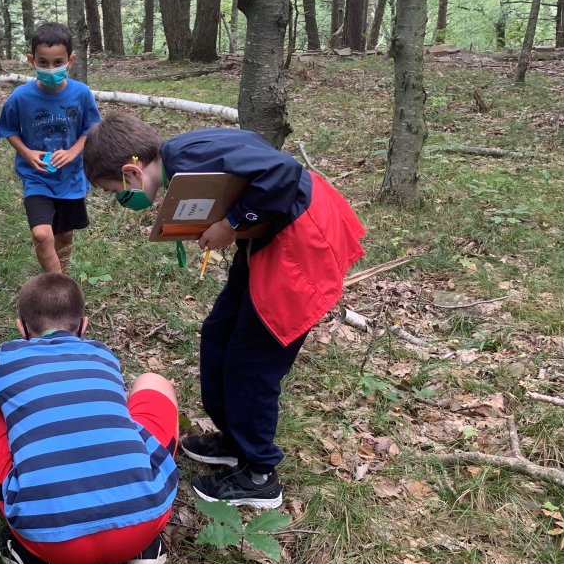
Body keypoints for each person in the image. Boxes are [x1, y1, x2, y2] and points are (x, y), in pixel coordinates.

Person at [82, 113, 366, 508]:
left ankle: (260, 474)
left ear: (132, 172)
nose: (121, 198)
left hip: (299, 246)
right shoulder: (179, 159)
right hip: (270, 240)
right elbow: (247, 158)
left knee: (252, 361)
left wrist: (233, 221)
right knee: (219, 334)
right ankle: (235, 439)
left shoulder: (188, 161)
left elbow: (282, 169)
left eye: (116, 189)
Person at [0, 273, 178, 564]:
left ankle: (34, 561)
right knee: (153, 383)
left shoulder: (6, 358)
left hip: (49, 541)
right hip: (144, 521)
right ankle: (145, 547)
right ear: (83, 326)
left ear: (22, 328)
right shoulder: (103, 354)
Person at [0, 23, 100, 274]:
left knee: (63, 235)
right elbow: (8, 129)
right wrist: (27, 153)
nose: (50, 69)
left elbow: (92, 128)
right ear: (32, 60)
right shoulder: (20, 97)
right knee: (42, 234)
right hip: (37, 178)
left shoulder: (82, 93)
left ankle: (60, 273)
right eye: (43, 63)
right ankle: (58, 288)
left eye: (58, 62)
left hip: (71, 178)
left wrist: (75, 150)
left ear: (71, 60)